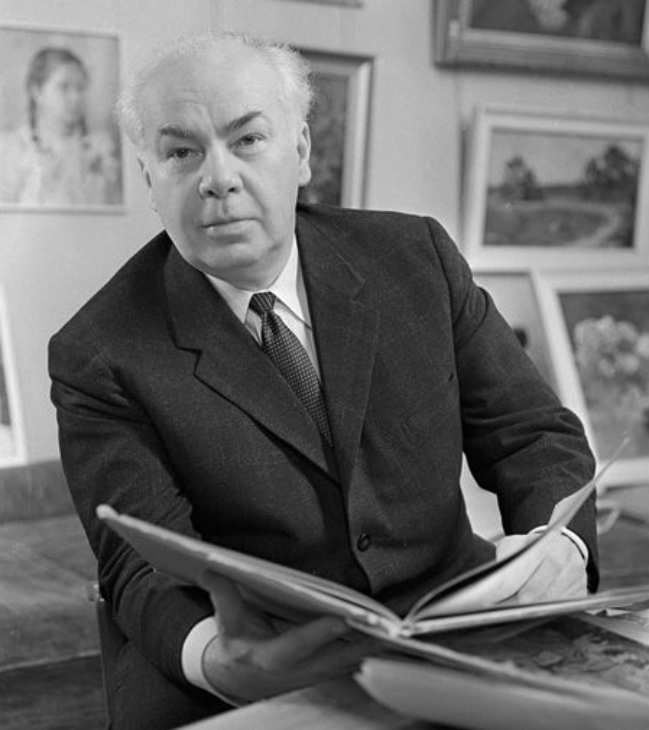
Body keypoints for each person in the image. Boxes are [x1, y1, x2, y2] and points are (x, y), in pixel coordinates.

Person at [48, 32, 598, 730]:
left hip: (453, 625)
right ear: (149, 179)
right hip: (249, 658)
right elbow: (139, 560)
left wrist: (560, 547)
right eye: (181, 153)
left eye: (248, 140)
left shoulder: (416, 258)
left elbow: (533, 437)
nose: (218, 178)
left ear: (302, 151)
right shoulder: (98, 352)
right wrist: (217, 657)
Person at [0, 46, 121, 206]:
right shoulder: (11, 148)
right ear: (37, 91)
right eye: (64, 87)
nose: (75, 97)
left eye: (80, 88)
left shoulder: (101, 148)